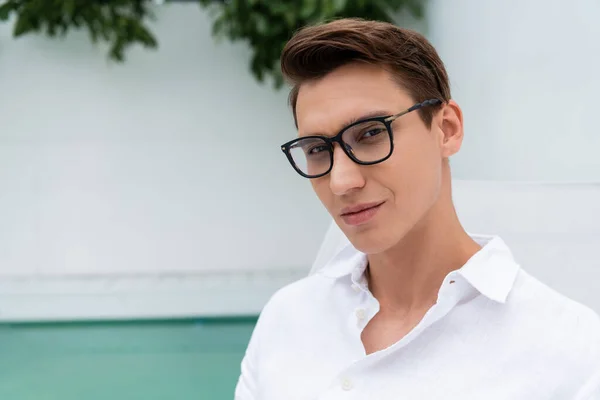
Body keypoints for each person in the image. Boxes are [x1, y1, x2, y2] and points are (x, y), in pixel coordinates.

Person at [235, 18, 600, 399]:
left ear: (447, 129)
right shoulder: (287, 319)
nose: (341, 181)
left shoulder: (569, 348)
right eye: (317, 150)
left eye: (371, 133)